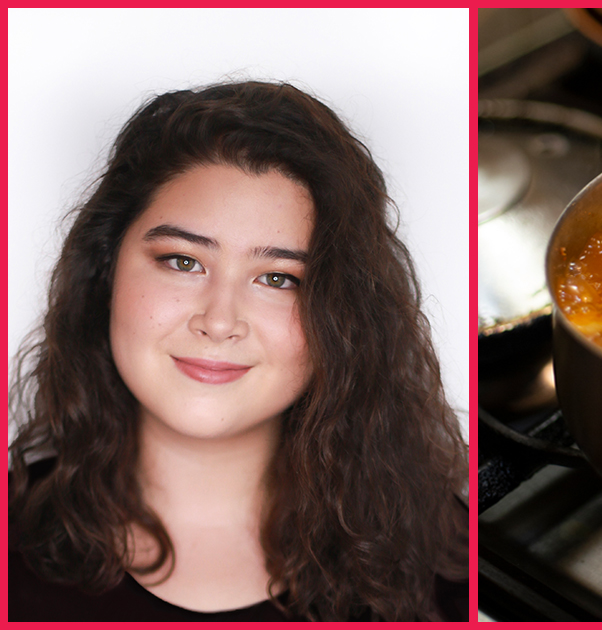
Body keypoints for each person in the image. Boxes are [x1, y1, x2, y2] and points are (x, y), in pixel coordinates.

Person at [8, 81, 468, 621]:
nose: (219, 321)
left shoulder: (446, 554)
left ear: (344, 315)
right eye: (183, 262)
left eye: (277, 278)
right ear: (105, 269)